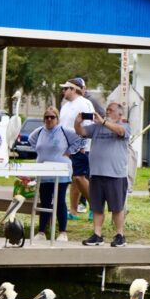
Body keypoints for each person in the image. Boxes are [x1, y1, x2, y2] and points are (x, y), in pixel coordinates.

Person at [75, 101, 132, 247]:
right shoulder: (97, 127)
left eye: (110, 110)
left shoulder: (124, 125)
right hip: (96, 173)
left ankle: (120, 235)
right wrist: (77, 123)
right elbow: (81, 132)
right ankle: (97, 235)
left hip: (115, 174)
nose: (107, 112)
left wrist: (104, 121)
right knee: (96, 207)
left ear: (119, 114)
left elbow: (120, 132)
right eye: (106, 110)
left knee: (117, 207)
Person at [29, 106, 83, 242]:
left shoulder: (64, 131)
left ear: (57, 119)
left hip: (60, 172)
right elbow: (31, 140)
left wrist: (69, 151)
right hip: (43, 172)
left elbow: (81, 139)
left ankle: (63, 232)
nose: (49, 119)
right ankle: (41, 231)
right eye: (46, 117)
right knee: (45, 202)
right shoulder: (39, 131)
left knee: (59, 201)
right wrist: (41, 152)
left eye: (52, 117)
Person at [58, 78, 95, 220]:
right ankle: (73, 211)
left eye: (66, 88)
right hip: (66, 149)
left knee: (80, 177)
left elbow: (88, 126)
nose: (63, 91)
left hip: (81, 148)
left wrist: (82, 146)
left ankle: (95, 206)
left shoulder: (85, 104)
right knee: (73, 179)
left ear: (73, 89)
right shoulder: (65, 106)